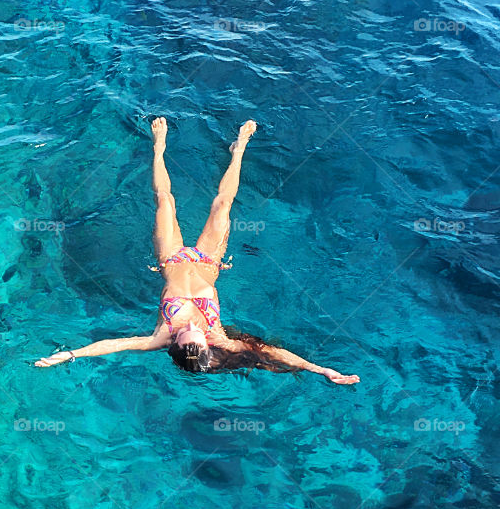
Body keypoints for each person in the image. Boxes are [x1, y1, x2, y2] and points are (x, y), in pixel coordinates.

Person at [35, 118, 359, 384]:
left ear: (173, 345)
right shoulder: (218, 338)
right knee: (223, 204)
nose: (192, 327)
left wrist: (71, 353)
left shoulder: (159, 337)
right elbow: (270, 353)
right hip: (209, 260)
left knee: (165, 201)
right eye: (196, 334)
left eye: (185, 334)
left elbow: (113, 345)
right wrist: (321, 369)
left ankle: (158, 146)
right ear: (207, 346)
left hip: (171, 257)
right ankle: (239, 149)